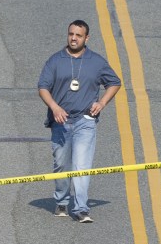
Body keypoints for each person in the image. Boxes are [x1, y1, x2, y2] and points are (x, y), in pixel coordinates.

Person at [38, 20, 121, 223]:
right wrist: (55, 107)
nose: (73, 38)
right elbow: (43, 87)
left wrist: (101, 103)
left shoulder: (96, 61)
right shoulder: (55, 60)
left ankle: (81, 208)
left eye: (78, 35)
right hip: (61, 121)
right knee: (61, 165)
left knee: (82, 166)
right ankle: (62, 201)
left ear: (86, 38)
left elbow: (115, 83)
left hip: (85, 121)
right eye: (71, 34)